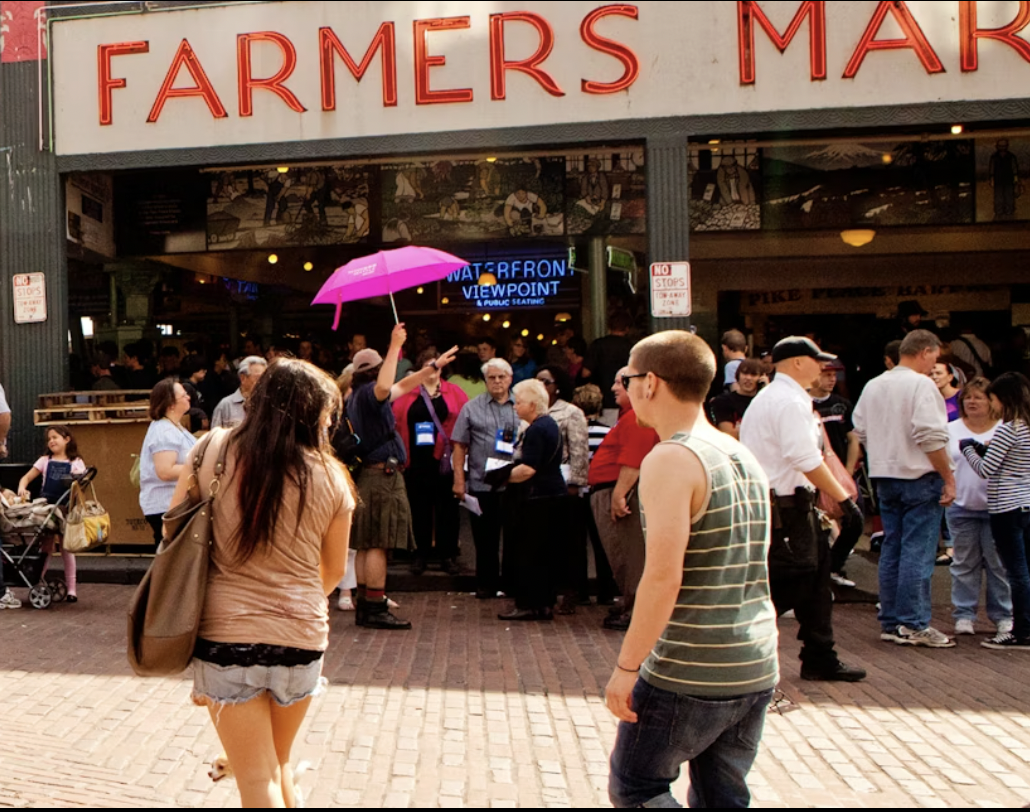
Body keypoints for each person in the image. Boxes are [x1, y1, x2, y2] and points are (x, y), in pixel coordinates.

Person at [170, 358, 354, 808]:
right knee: (278, 764)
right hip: (301, 635)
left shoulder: (211, 450)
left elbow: (172, 529)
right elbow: (329, 573)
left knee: (256, 781)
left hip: (226, 635)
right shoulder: (331, 476)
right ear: (316, 414)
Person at [605, 330, 778, 809]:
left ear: (651, 383)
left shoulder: (671, 457)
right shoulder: (737, 452)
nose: (625, 387)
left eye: (628, 377)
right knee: (723, 795)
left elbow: (663, 575)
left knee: (635, 787)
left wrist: (626, 668)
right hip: (754, 657)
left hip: (691, 665)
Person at [740, 337, 866, 681]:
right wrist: (843, 500)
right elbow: (805, 458)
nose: (823, 367)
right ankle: (739, 645)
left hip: (790, 505)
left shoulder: (778, 398)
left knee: (815, 584)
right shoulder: (789, 401)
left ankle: (820, 655)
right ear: (796, 362)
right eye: (816, 360)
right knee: (792, 582)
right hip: (787, 508)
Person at [347, 325, 458, 630]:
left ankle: (365, 606)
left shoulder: (356, 395)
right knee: (378, 543)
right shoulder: (372, 393)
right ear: (377, 370)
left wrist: (432, 368)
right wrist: (395, 345)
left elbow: (403, 385)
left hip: (368, 475)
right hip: (382, 475)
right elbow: (386, 387)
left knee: (366, 543)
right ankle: (375, 606)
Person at [853, 330, 957, 648]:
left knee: (893, 548)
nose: (934, 364)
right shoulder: (921, 385)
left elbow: (860, 429)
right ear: (924, 352)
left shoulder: (874, 384)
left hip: (885, 475)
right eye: (934, 357)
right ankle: (912, 622)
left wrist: (883, 455)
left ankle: (892, 620)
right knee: (918, 551)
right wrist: (948, 476)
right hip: (919, 476)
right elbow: (930, 436)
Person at [959, 372, 1030, 650]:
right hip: (1026, 502)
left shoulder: (1007, 429)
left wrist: (968, 449)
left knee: (1016, 571)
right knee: (1026, 568)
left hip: (1005, 506)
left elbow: (985, 469)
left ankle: (1020, 630)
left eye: (992, 398)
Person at [588, 368, 660, 631]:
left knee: (629, 555)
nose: (614, 388)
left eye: (621, 382)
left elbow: (634, 459)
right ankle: (632, 606)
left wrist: (619, 495)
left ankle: (635, 611)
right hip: (611, 488)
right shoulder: (629, 417)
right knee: (623, 555)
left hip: (617, 490)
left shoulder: (639, 417)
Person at [392, 348, 468, 576]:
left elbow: (464, 426)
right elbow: (395, 424)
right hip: (415, 460)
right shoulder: (408, 393)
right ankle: (420, 554)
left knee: (448, 510)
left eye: (436, 364)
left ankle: (448, 555)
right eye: (428, 364)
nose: (433, 369)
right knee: (418, 509)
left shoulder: (454, 392)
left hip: (445, 460)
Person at [946, 378, 1013, 637]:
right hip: (961, 504)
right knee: (964, 562)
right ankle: (964, 614)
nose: (972, 402)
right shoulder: (950, 428)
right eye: (968, 397)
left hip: (997, 506)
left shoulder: (1003, 430)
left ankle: (1004, 615)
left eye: (979, 397)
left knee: (998, 564)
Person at [497, 380, 566, 621]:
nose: (515, 406)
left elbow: (528, 469)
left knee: (528, 551)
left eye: (520, 402)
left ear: (533, 405)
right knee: (544, 552)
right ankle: (544, 602)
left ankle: (528, 603)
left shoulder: (537, 429)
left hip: (537, 496)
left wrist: (500, 477)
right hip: (552, 493)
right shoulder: (550, 425)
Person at [452, 358, 519, 600]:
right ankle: (486, 585)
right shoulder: (471, 408)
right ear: (485, 381)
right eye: (492, 377)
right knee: (485, 538)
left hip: (514, 482)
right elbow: (459, 445)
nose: (497, 381)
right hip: (482, 482)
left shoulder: (521, 405)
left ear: (510, 379)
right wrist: (459, 480)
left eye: (502, 377)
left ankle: (512, 584)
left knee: (514, 536)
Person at [536, 366, 590, 614]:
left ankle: (573, 591)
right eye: (537, 382)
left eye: (546, 382)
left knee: (570, 542)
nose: (541, 386)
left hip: (564, 483)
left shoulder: (570, 412)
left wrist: (575, 483)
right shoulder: (532, 410)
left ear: (557, 385)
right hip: (539, 485)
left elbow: (579, 451)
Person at [17, 426, 86, 603]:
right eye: (49, 439)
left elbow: (81, 486)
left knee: (66, 548)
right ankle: (37, 582)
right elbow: (26, 477)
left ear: (67, 439)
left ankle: (72, 589)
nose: (51, 441)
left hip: (65, 509)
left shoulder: (76, 462)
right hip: (47, 509)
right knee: (46, 547)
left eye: (55, 437)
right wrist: (22, 487)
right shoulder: (44, 460)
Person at [572, 384, 618, 605]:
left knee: (577, 545)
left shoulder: (573, 433)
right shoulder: (608, 433)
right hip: (599, 492)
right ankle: (606, 591)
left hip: (576, 494)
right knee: (602, 544)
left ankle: (580, 591)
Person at [138, 379, 197, 546]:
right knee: (172, 557)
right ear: (170, 403)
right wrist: (198, 468)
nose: (188, 397)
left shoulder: (175, 427)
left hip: (177, 504)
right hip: (167, 505)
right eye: (183, 395)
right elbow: (165, 471)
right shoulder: (164, 430)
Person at [584, 312, 634, 424]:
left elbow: (585, 373)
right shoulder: (632, 347)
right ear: (627, 329)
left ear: (609, 327)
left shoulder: (598, 345)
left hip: (601, 401)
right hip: (627, 401)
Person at [708, 358, 763, 439]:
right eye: (744, 373)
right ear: (738, 376)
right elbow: (729, 434)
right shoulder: (723, 401)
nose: (748, 378)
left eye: (753, 375)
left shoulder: (764, 403)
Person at [212, 356, 268, 430]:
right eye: (258, 378)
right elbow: (215, 438)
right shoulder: (225, 406)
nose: (263, 382)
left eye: (266, 378)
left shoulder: (268, 404)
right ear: (243, 378)